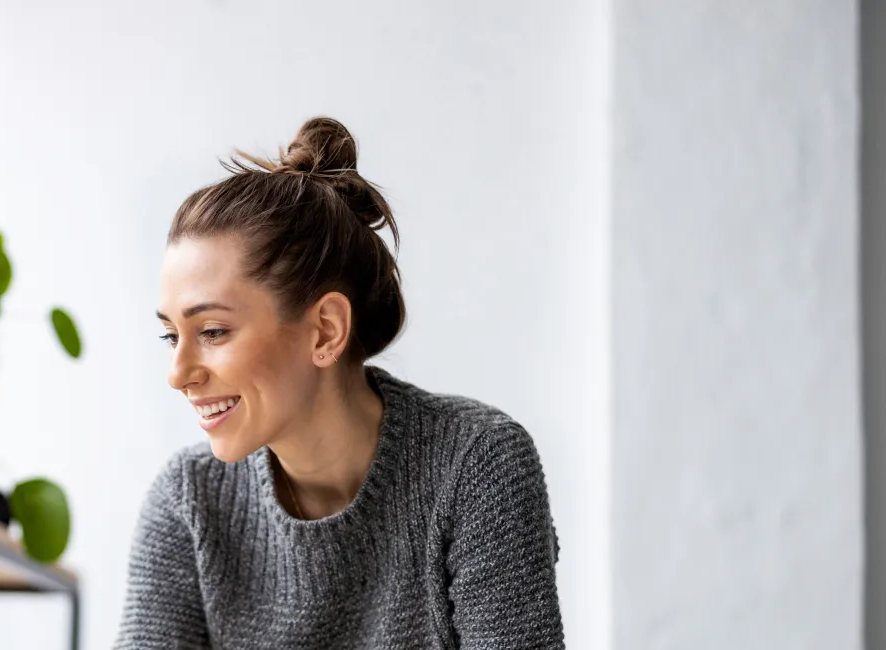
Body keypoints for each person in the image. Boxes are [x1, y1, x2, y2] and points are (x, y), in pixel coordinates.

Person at [114, 117, 564, 649]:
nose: (178, 373)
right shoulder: (188, 499)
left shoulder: (475, 464)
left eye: (212, 331)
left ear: (325, 330)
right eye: (172, 336)